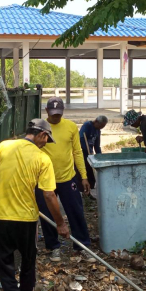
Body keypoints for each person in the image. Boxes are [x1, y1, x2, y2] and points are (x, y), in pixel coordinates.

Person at [0, 119, 70, 291]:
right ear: (41, 135)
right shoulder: (42, 158)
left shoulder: (4, 146)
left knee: (5, 268)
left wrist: (7, 188)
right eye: (47, 140)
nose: (46, 144)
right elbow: (49, 195)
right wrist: (60, 224)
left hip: (1, 218)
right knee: (28, 264)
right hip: (26, 221)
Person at [36, 97, 95, 263]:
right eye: (53, 114)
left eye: (59, 114)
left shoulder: (70, 127)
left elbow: (77, 152)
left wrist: (83, 176)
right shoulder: (40, 127)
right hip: (45, 180)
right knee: (47, 215)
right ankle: (53, 247)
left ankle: (82, 246)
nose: (56, 117)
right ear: (47, 111)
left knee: (76, 212)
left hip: (68, 178)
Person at [123, 110, 146, 213]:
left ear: (136, 119)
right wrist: (143, 137)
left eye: (132, 123)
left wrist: (142, 157)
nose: (132, 126)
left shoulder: (144, 125)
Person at [78, 115, 108, 190]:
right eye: (101, 126)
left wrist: (100, 157)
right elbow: (82, 139)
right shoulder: (87, 126)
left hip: (90, 155)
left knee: (92, 176)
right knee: (84, 174)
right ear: (96, 121)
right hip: (82, 153)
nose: (101, 128)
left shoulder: (98, 130)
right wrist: (88, 154)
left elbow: (97, 146)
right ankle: (84, 193)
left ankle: (89, 192)